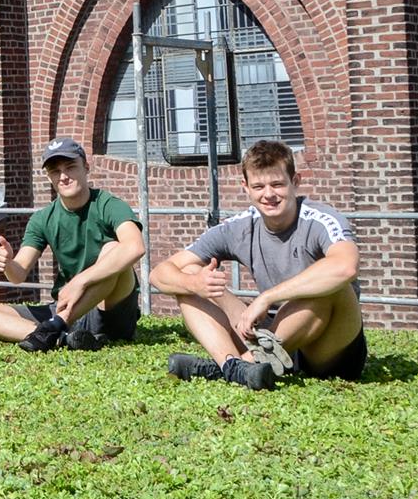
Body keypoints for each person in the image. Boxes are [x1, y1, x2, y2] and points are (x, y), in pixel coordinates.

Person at [150, 140, 365, 391]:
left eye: (277, 184)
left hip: (325, 348)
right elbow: (159, 274)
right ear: (246, 188)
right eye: (259, 186)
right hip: (265, 334)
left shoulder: (321, 219)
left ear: (295, 182)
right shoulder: (239, 226)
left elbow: (346, 267)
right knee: (187, 275)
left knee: (334, 287)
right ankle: (233, 366)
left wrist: (267, 298)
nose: (269, 194)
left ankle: (236, 366)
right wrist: (194, 283)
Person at [0, 138, 145, 352]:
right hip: (66, 305)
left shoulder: (109, 205)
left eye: (70, 167)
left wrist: (80, 281)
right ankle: (61, 338)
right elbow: (18, 275)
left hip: (107, 308)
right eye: (55, 171)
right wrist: (8, 264)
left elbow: (135, 247)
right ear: (49, 177)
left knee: (113, 249)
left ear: (86, 167)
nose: (63, 177)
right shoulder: (43, 218)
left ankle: (55, 327)